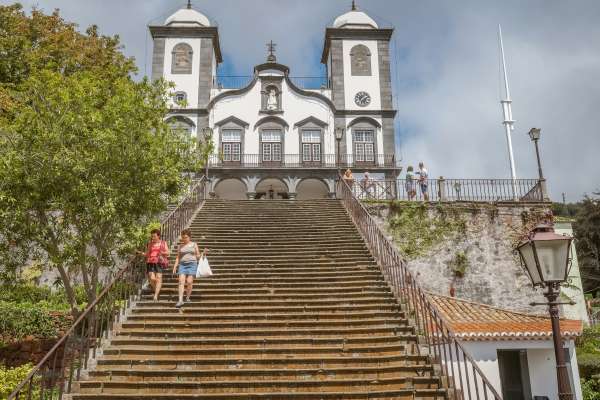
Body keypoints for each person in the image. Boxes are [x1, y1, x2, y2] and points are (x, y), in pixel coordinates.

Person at [172, 229, 207, 308]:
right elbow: (178, 257)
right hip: (182, 265)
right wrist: (175, 266)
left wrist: (203, 254)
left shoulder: (194, 244)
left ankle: (187, 297)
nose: (184, 239)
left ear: (189, 237)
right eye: (183, 237)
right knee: (181, 282)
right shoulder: (180, 246)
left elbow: (197, 256)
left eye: (186, 237)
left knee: (189, 282)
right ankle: (180, 300)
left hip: (192, 264)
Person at [140, 229, 169, 302]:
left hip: (159, 262)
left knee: (159, 277)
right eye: (152, 236)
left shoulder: (163, 243)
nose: (153, 237)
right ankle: (157, 289)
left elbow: (167, 253)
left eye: (154, 236)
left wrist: (162, 253)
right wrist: (141, 253)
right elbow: (147, 254)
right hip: (150, 262)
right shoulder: (150, 244)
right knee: (152, 278)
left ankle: (156, 295)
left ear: (158, 236)